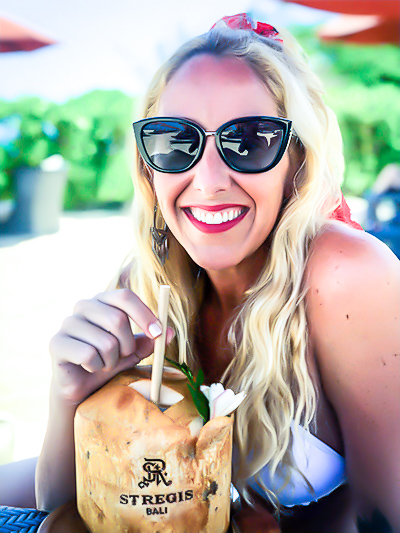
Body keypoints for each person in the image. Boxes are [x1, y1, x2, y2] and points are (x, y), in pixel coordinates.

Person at [35, 13, 400, 533]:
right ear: (148, 166)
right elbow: (59, 508)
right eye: (174, 142)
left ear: (294, 161)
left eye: (250, 140)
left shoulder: (347, 276)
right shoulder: (142, 286)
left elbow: (386, 516)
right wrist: (67, 393)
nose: (208, 181)